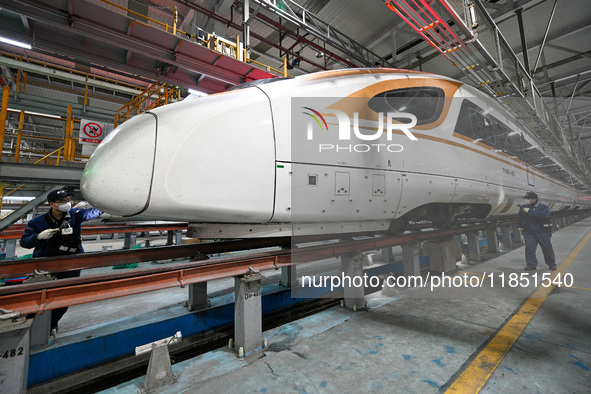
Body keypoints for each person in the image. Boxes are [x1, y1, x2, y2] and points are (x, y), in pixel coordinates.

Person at [20, 189, 103, 336]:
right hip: (46, 263)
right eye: (62, 201)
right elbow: (24, 242)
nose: (66, 203)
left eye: (67, 200)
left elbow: (93, 212)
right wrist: (38, 237)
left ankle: (52, 324)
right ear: (52, 204)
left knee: (64, 296)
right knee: (41, 295)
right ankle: (31, 325)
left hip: (71, 263)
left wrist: (107, 205)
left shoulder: (75, 216)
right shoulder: (37, 222)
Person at [517, 191, 556, 271]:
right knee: (529, 249)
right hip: (529, 232)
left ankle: (551, 264)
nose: (526, 200)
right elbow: (520, 217)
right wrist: (519, 225)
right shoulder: (523, 207)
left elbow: (544, 216)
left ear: (534, 199)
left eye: (528, 199)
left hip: (542, 232)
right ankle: (531, 265)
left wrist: (529, 211)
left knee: (547, 248)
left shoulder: (543, 207)